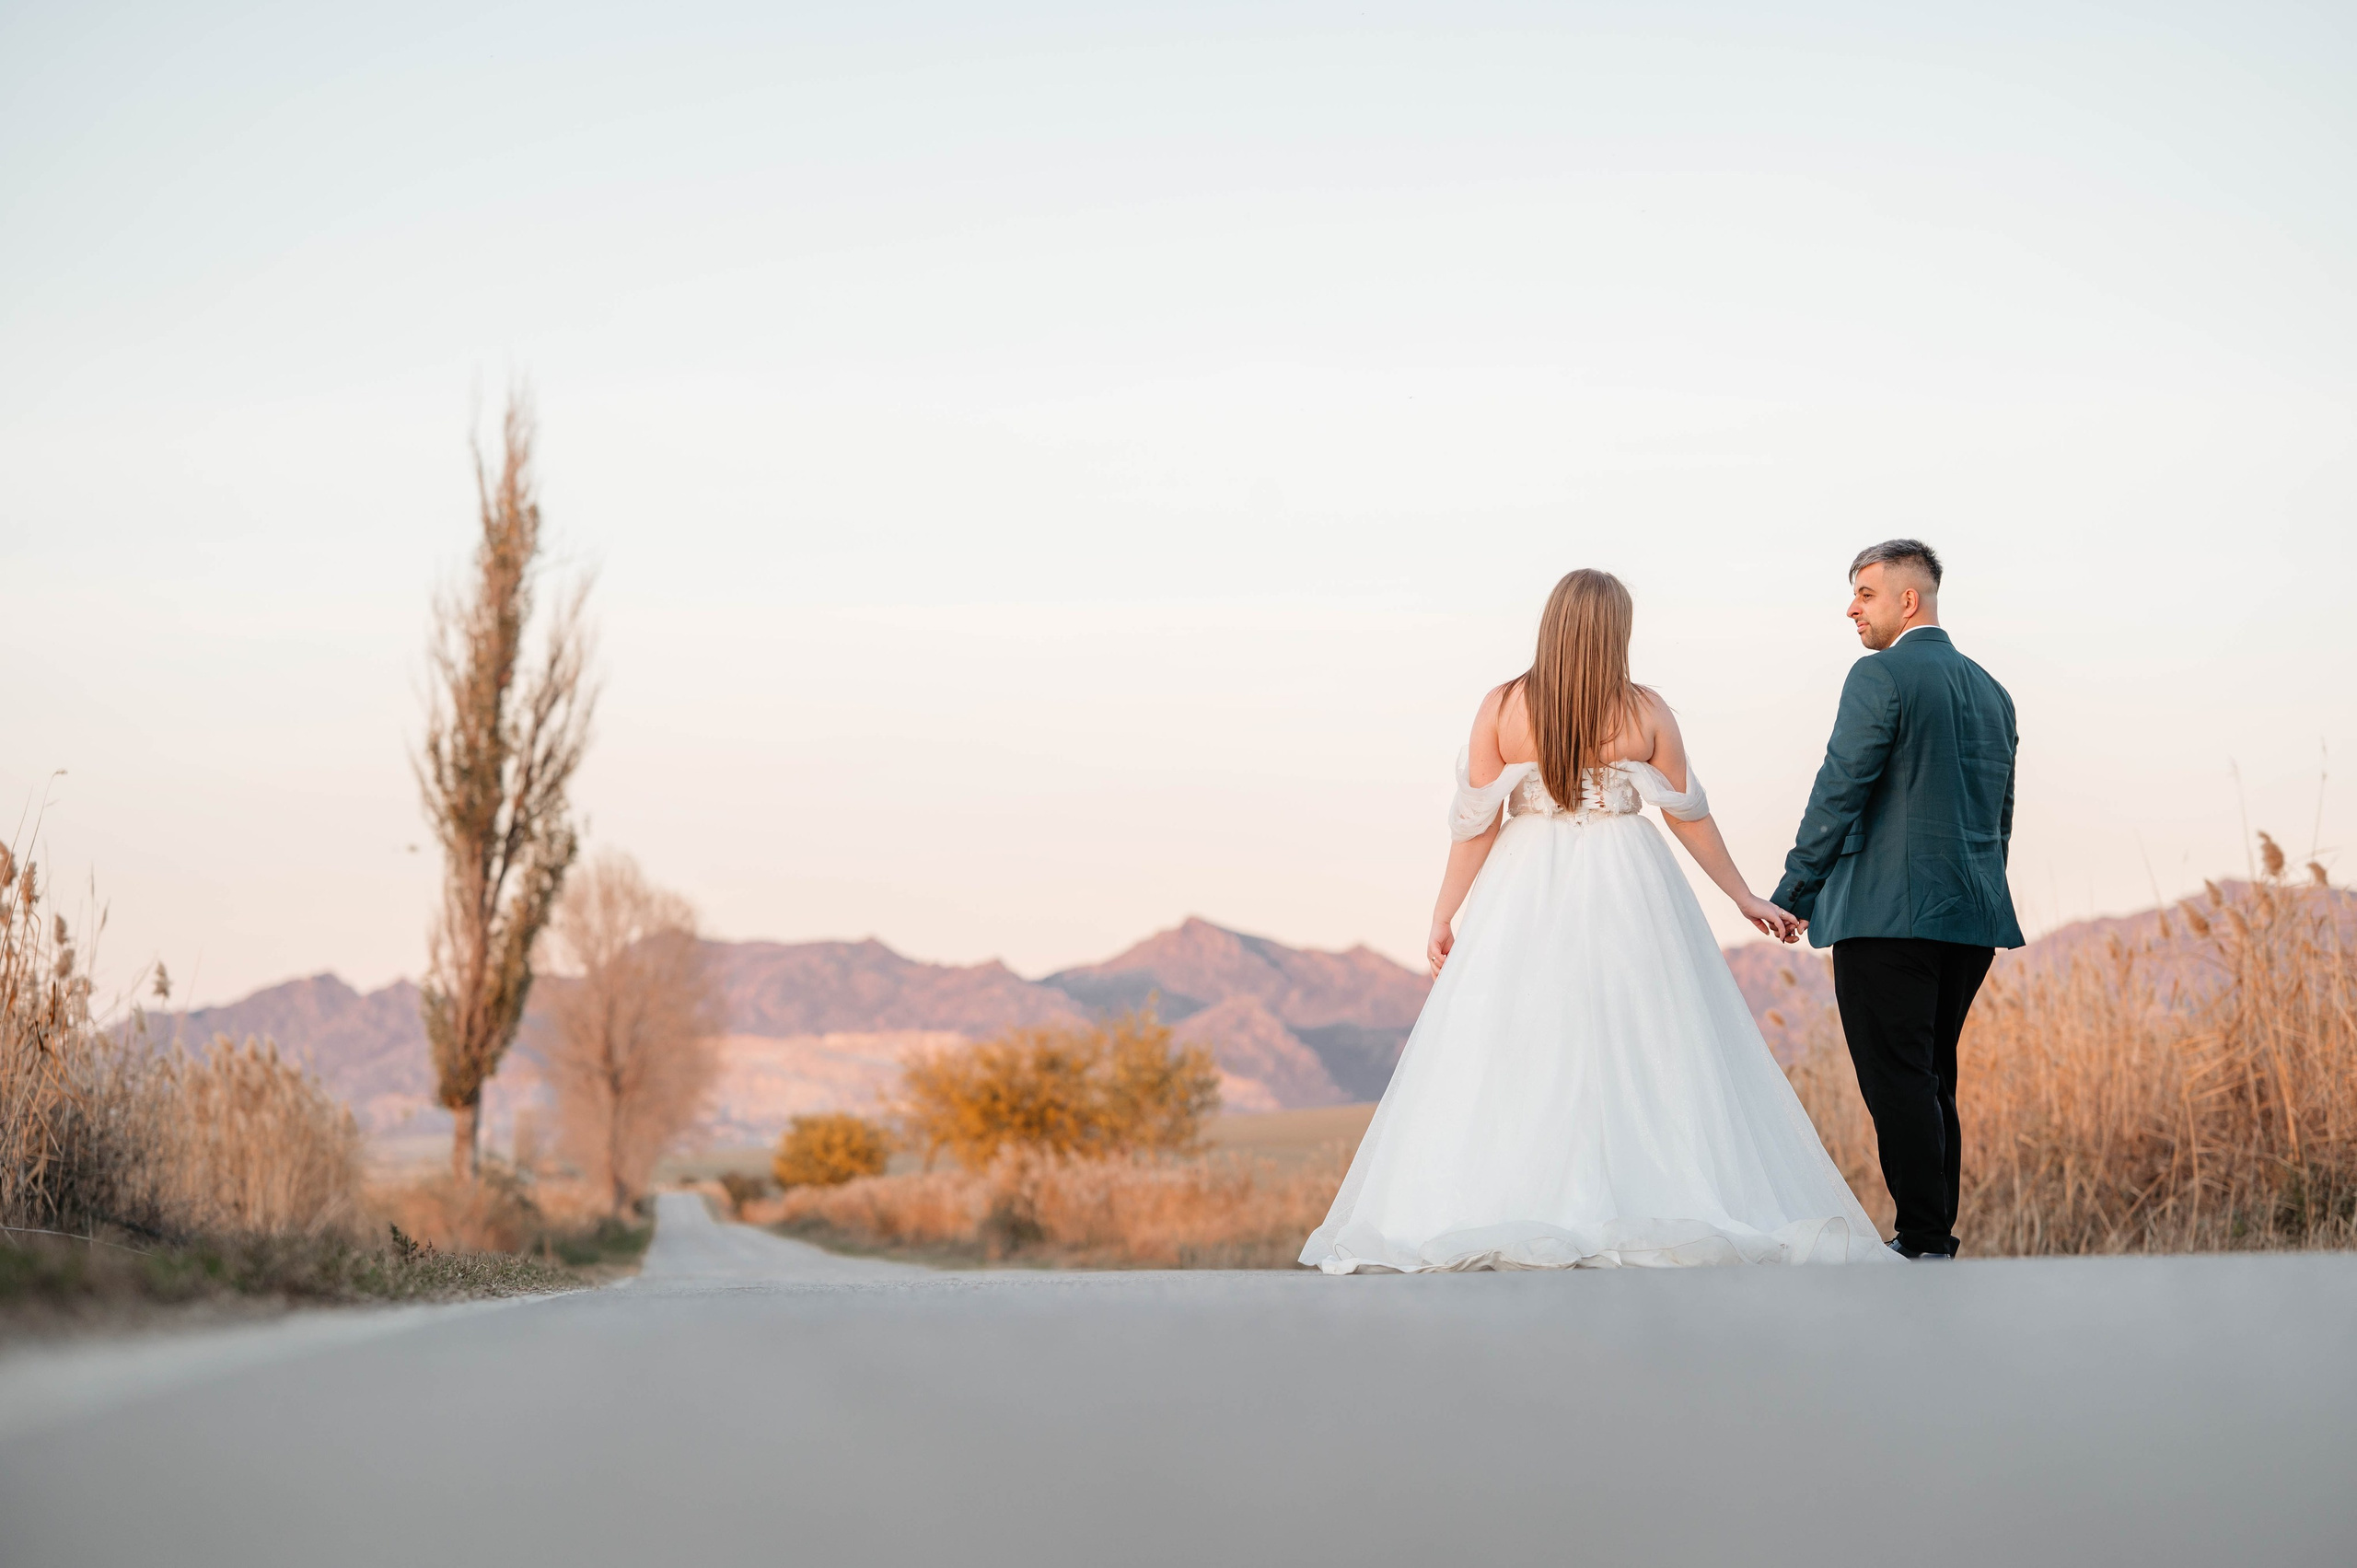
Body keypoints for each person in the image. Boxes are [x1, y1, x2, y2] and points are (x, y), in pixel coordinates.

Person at [1300, 568, 1894, 1272]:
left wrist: (1444, 912)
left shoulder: (1502, 707)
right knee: (1648, 1036)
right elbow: (1687, 813)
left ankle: (1516, 1195)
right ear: (1618, 630)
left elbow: (1476, 823)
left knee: (1517, 1038)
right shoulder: (1645, 710)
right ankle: (1642, 1191)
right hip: (1630, 879)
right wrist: (1742, 895)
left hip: (1526, 879)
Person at [1771, 540, 2023, 1260]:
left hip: (1888, 914)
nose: (1852, 607)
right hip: (1971, 916)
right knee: (1933, 1075)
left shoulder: (1878, 675)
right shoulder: (1992, 689)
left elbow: (1840, 786)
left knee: (1899, 1077)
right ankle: (1932, 1234)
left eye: (1865, 593)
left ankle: (1922, 1238)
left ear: (1908, 600)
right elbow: (2000, 815)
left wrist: (1796, 889)